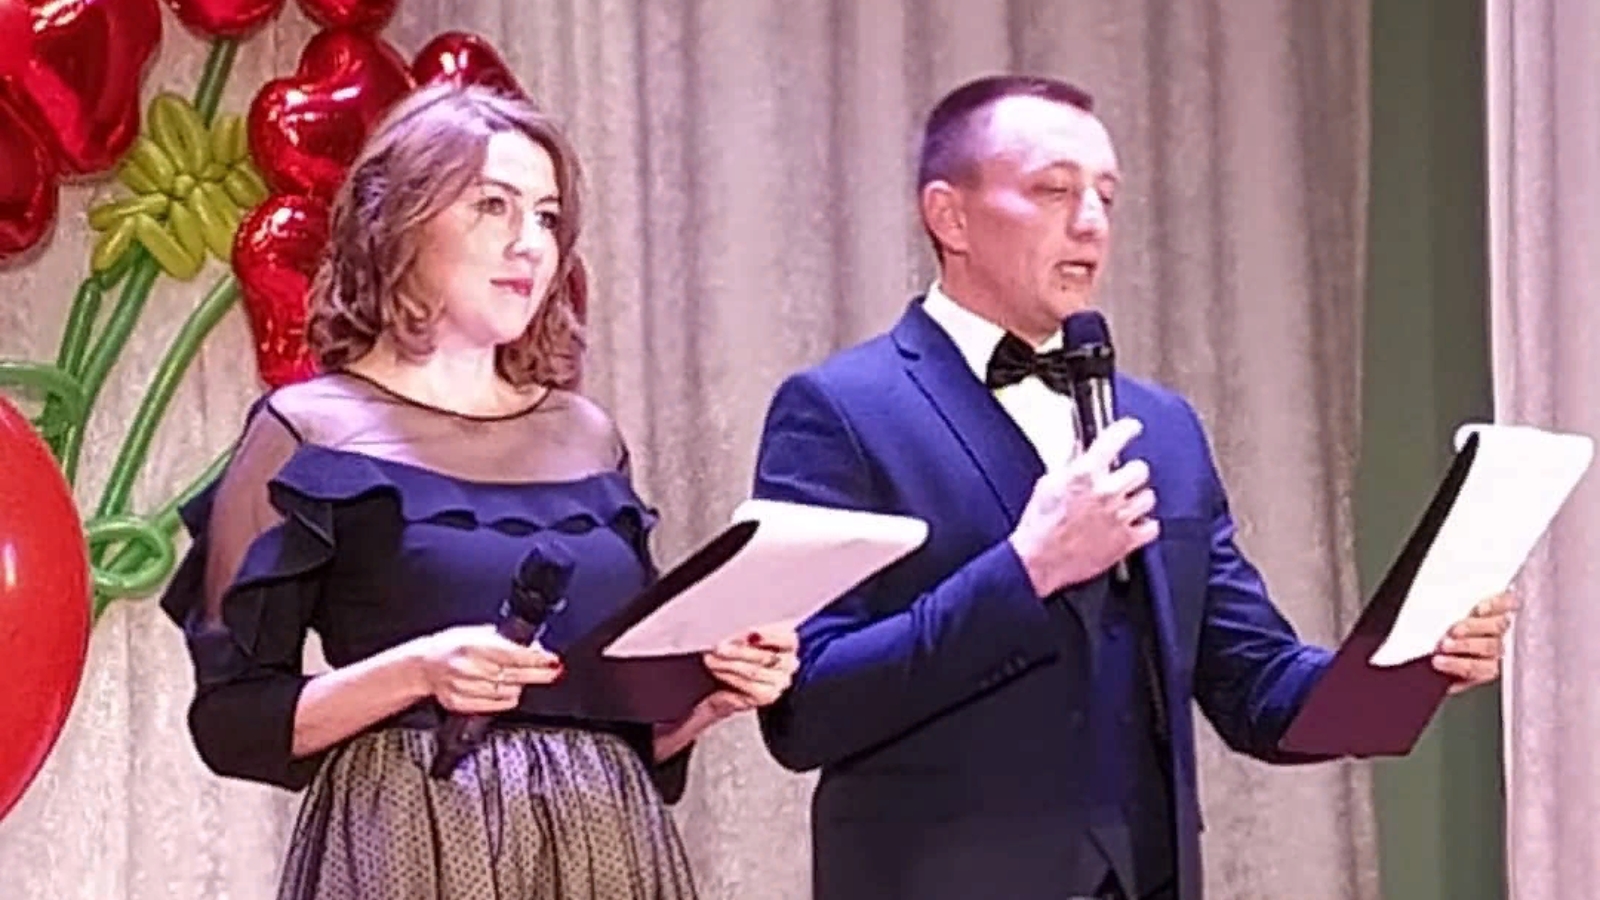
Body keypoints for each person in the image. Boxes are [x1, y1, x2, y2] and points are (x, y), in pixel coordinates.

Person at [749, 74, 1515, 900]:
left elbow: (1255, 686)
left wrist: (1408, 665)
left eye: (1106, 197)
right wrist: (1027, 569)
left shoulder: (1163, 426)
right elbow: (806, 709)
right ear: (950, 216)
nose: (1090, 222)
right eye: (1053, 190)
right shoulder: (840, 410)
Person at [159, 82, 800, 900]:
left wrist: (709, 695)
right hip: (411, 846)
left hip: (607, 850)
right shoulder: (308, 431)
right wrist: (419, 671)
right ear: (399, 225)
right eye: (493, 206)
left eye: (546, 217)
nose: (530, 244)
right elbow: (232, 723)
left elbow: (625, 729)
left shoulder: (588, 436)